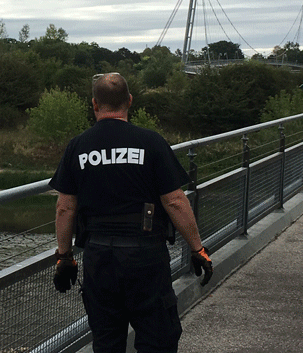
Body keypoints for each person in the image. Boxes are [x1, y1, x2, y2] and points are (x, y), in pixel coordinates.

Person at [49, 73, 212, 353]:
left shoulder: (78, 146)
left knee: (107, 341)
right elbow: (174, 201)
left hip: (99, 258)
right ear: (130, 101)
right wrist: (197, 248)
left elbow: (65, 207)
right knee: (158, 338)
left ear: (95, 104)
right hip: (145, 256)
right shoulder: (151, 142)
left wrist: (64, 258)